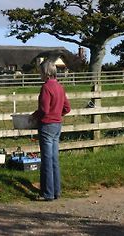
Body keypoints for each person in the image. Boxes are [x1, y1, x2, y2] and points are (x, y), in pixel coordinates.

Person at [31, 60, 71, 201]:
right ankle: (56, 191)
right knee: (54, 159)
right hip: (57, 125)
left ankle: (47, 193)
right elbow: (67, 108)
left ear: (46, 73)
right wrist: (57, 115)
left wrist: (34, 116)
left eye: (41, 72)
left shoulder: (46, 87)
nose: (40, 75)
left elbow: (44, 110)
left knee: (46, 160)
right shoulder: (60, 87)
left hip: (47, 125)